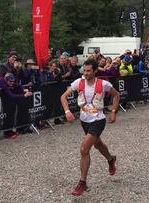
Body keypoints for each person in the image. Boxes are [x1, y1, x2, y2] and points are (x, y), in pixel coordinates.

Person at [60, 59, 120, 196]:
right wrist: (67, 111)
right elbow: (63, 96)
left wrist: (113, 112)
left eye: (88, 71)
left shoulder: (103, 84)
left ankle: (82, 183)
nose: (85, 73)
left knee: (84, 149)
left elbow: (116, 95)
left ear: (95, 71)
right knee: (98, 144)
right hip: (84, 120)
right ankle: (111, 159)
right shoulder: (78, 83)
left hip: (98, 120)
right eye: (84, 71)